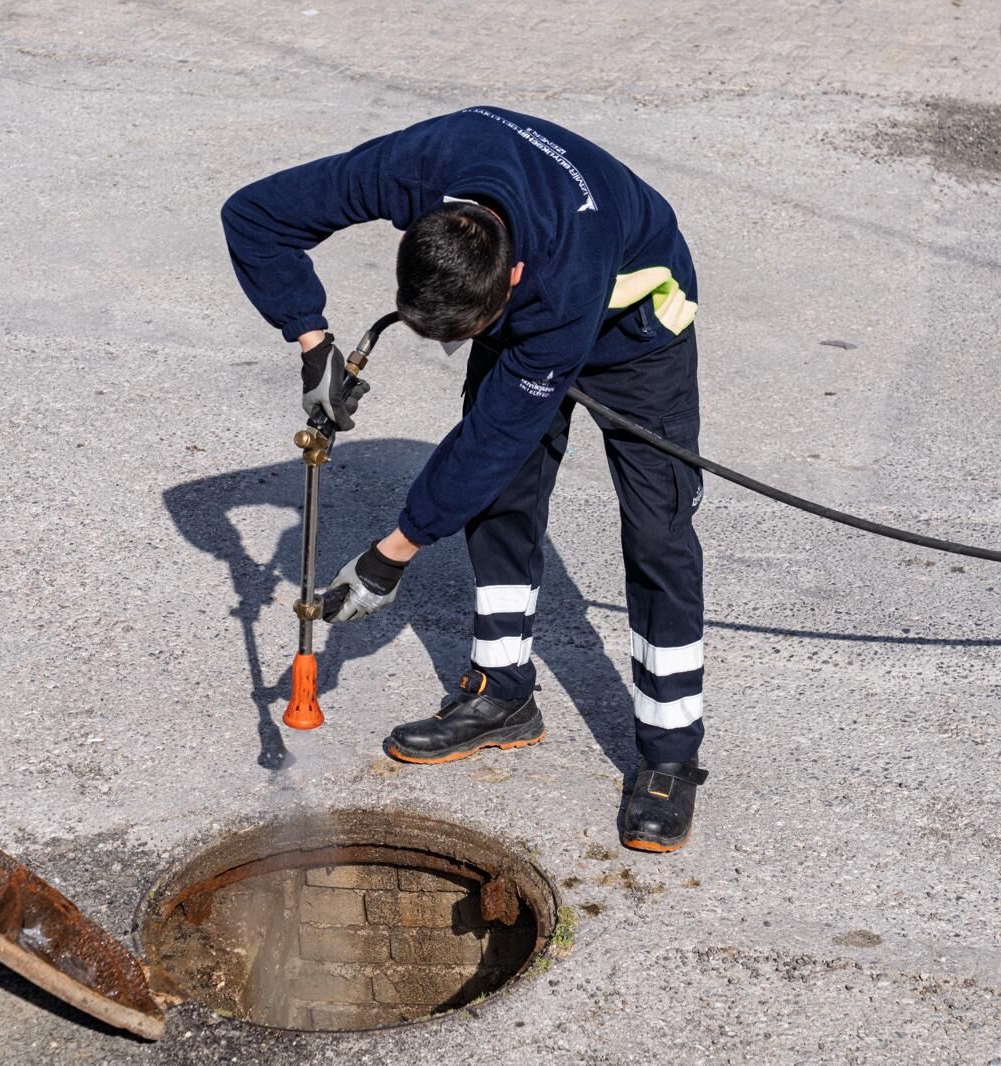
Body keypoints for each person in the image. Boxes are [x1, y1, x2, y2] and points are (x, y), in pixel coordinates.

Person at [221, 106, 708, 852]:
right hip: (524, 304)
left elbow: (490, 442)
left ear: (510, 277)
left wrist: (388, 558)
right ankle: (502, 692)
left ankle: (670, 751)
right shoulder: (419, 167)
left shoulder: (564, 277)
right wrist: (311, 342)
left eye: (466, 336)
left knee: (656, 533)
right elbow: (254, 215)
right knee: (504, 503)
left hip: (639, 332)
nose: (456, 352)